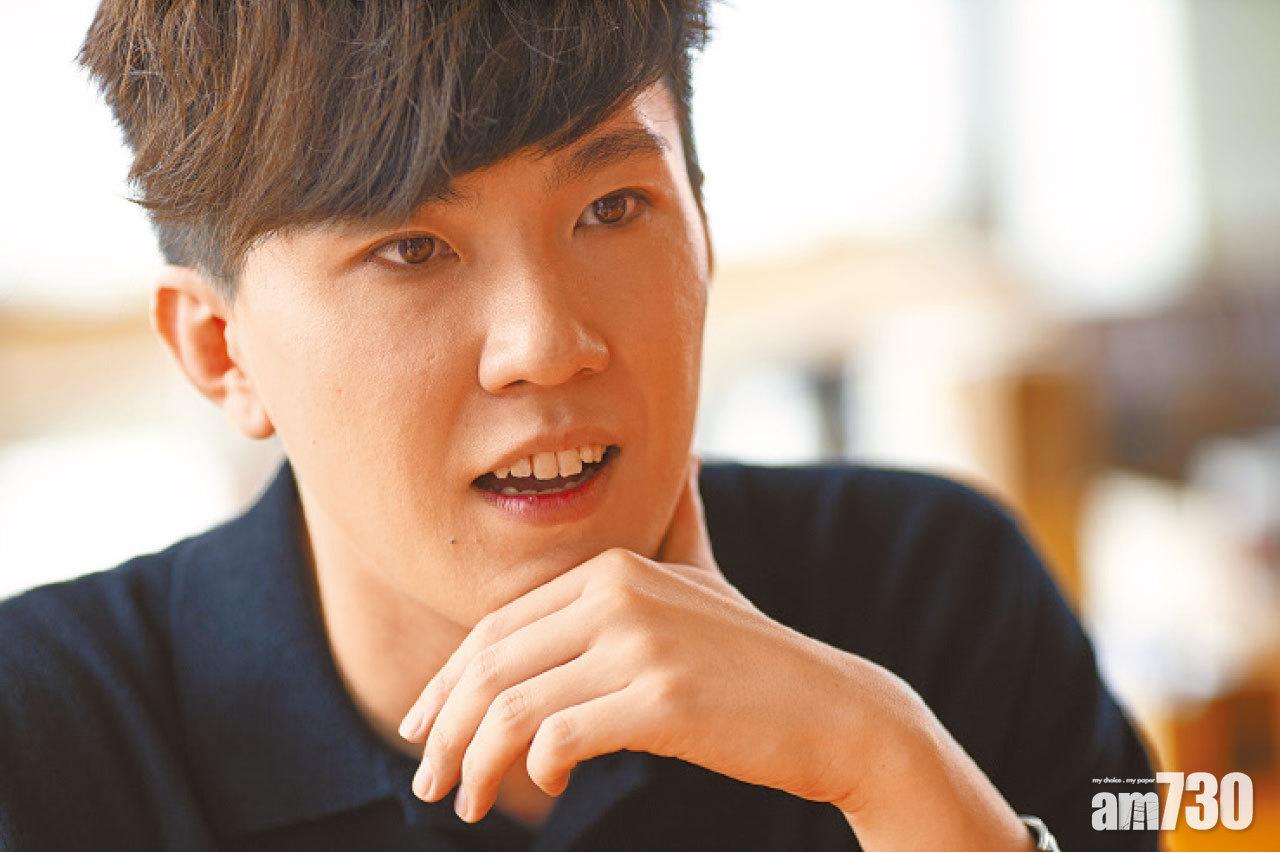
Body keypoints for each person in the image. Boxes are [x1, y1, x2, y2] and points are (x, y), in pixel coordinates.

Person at [0, 1, 1156, 849]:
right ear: (220, 349)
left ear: (703, 228)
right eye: (411, 249)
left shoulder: (933, 592)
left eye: (611, 207)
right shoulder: (41, 735)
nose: (546, 345)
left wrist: (879, 763)